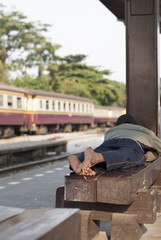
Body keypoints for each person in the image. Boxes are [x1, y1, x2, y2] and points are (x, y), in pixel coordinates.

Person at [68, 114, 161, 176]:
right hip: (131, 143)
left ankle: (79, 158)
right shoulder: (143, 130)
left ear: (118, 125)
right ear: (133, 124)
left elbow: (108, 146)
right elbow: (159, 147)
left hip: (108, 142)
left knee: (103, 151)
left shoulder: (111, 131)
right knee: (125, 154)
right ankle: (97, 157)